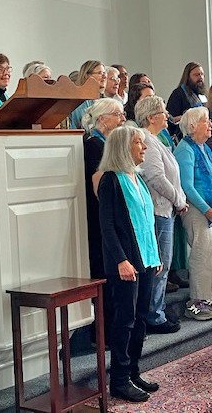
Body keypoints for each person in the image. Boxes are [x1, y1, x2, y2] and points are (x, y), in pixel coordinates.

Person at [98, 125, 161, 402]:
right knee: (124, 320)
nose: (144, 147)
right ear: (124, 147)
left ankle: (133, 372)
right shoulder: (110, 180)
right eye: (138, 143)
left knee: (141, 318)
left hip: (146, 259)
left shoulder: (138, 178)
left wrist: (155, 255)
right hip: (125, 263)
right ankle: (119, 380)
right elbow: (107, 227)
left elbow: (147, 220)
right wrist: (121, 260)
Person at [135, 96, 188, 333]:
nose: (167, 115)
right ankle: (153, 316)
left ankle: (157, 311)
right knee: (159, 266)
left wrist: (178, 199)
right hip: (158, 210)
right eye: (162, 112)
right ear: (150, 117)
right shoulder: (146, 139)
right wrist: (178, 200)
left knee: (163, 265)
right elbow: (156, 177)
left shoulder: (155, 139)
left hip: (166, 209)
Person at [175, 107, 212, 320]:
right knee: (202, 254)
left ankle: (209, 297)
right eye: (206, 121)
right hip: (196, 209)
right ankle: (196, 302)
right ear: (193, 126)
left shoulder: (205, 147)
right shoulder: (185, 149)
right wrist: (207, 209)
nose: (211, 124)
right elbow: (187, 186)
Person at [82, 98, 126, 345]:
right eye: (117, 115)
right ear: (102, 119)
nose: (122, 119)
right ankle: (103, 334)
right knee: (105, 274)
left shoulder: (106, 143)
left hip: (109, 216)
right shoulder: (94, 145)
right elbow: (99, 185)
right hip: (100, 219)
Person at [166, 62, 207, 138]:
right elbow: (171, 119)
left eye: (202, 74)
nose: (200, 77)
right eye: (196, 75)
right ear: (188, 77)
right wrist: (189, 117)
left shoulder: (203, 94)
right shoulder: (178, 94)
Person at [69, 60, 106, 129]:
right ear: (87, 76)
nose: (104, 76)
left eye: (104, 73)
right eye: (100, 73)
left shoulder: (104, 101)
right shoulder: (77, 103)